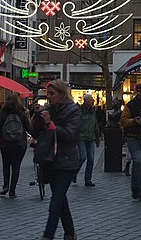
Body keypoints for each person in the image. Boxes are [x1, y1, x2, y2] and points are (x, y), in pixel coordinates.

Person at [39, 79, 81, 240]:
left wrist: (51, 124)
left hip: (66, 161)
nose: (48, 97)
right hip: (51, 160)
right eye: (47, 93)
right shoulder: (50, 109)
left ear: (62, 94)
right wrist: (38, 117)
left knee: (55, 202)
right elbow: (37, 132)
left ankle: (48, 235)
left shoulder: (73, 111)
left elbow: (70, 135)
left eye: (52, 94)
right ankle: (70, 233)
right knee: (60, 199)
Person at [0, 92, 31, 198]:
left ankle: (5, 185)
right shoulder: (22, 113)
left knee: (6, 165)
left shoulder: (3, 112)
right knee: (16, 166)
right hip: (19, 144)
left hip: (6, 143)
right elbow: (28, 128)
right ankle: (12, 190)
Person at [75, 94, 101, 186]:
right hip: (81, 137)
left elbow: (95, 124)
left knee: (91, 159)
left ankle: (88, 179)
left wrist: (97, 137)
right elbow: (76, 124)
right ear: (85, 101)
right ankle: (74, 172)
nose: (93, 101)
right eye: (90, 100)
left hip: (91, 137)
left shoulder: (93, 111)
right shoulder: (79, 111)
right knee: (83, 157)